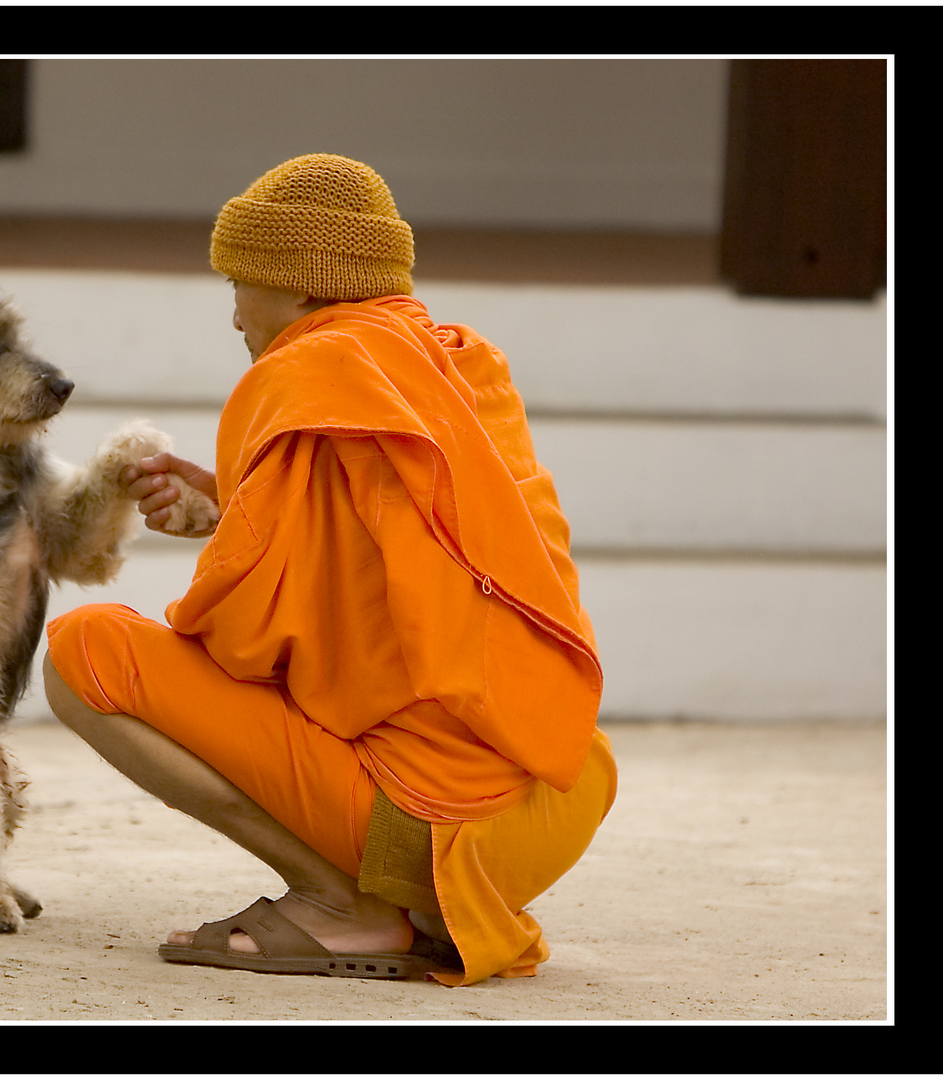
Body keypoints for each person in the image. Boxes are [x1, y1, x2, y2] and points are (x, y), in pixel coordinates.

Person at [41, 153, 617, 985]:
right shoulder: (460, 365)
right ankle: (393, 897)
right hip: (547, 804)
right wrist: (236, 512)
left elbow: (247, 644)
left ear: (305, 288)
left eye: (241, 281)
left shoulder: (305, 374)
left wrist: (241, 540)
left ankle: (346, 906)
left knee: (83, 654)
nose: (235, 313)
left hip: (420, 822)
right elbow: (398, 569)